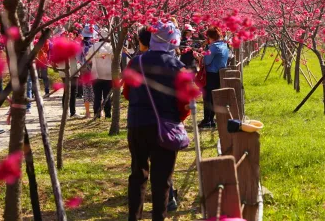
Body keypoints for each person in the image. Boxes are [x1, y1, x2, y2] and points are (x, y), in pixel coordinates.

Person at [124, 21, 188, 221]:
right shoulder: (178, 67)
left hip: (137, 124)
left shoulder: (136, 62)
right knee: (162, 180)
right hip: (165, 126)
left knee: (138, 173)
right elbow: (185, 102)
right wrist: (178, 119)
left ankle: (133, 217)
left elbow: (127, 93)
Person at [194, 27, 229, 129]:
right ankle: (211, 119)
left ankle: (207, 120)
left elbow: (206, 61)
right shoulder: (224, 45)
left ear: (210, 36)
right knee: (214, 98)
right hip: (219, 74)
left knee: (207, 98)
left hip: (211, 75)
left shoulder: (213, 47)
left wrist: (199, 57)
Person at [90, 29, 113, 119]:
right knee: (107, 95)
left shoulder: (93, 46)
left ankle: (97, 113)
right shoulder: (111, 47)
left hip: (96, 74)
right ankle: (108, 114)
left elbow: (87, 57)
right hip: (108, 74)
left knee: (97, 96)